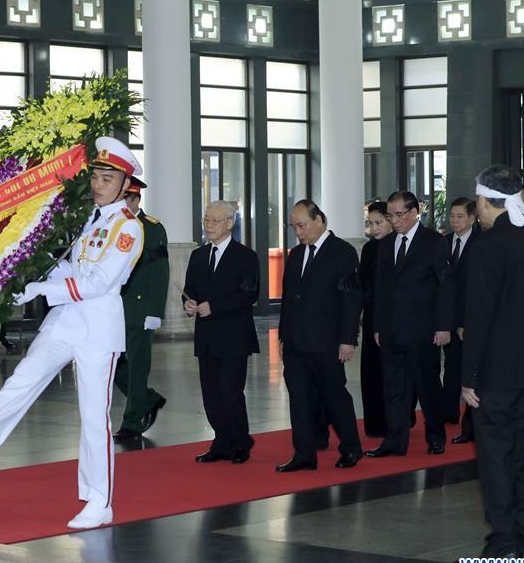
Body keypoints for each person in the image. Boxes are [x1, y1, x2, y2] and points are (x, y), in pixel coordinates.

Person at [0, 137, 144, 530]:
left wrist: (38, 290)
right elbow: (73, 268)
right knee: (23, 378)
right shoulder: (89, 219)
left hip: (97, 328)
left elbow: (98, 283)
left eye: (107, 178)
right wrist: (34, 271)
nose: (98, 184)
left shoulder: (128, 229)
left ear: (124, 185)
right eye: (96, 177)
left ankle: (98, 501)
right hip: (67, 318)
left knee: (92, 417)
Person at [461, 165, 524, 558]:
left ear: (483, 200)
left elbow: (478, 319)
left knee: (495, 461)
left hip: (495, 375)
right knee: (518, 458)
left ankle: (504, 543)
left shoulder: (487, 245)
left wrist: (468, 378)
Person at [366, 191, 453, 458]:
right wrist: (378, 326)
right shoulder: (385, 244)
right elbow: (380, 288)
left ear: (416, 212)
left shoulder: (434, 242)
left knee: (427, 386)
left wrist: (444, 325)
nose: (395, 220)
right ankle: (395, 440)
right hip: (391, 329)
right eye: (390, 215)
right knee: (393, 387)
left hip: (423, 329)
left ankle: (436, 436)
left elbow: (445, 286)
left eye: (400, 214)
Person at [277, 200, 362, 472]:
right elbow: (289, 299)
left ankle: (350, 447)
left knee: (334, 396)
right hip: (296, 342)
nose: (298, 232)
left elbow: (351, 299)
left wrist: (347, 339)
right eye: (294, 227)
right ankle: (304, 453)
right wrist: (282, 336)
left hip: (326, 341)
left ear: (319, 220)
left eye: (301, 226)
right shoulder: (295, 254)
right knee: (299, 400)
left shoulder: (343, 252)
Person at [183, 200, 259, 465]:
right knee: (211, 394)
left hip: (234, 337)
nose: (209, 226)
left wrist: (213, 306)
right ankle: (221, 441)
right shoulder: (198, 255)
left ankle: (240, 440)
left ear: (230, 223)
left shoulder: (246, 256)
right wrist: (189, 303)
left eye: (215, 221)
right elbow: (190, 288)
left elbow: (250, 293)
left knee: (230, 391)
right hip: (206, 337)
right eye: (206, 220)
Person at [112, 177, 170, 443]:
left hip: (139, 309)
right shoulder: (113, 227)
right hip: (113, 309)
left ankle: (132, 423)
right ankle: (148, 399)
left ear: (136, 200)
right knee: (113, 366)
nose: (121, 205)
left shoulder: (152, 229)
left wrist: (155, 311)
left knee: (137, 366)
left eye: (126, 200)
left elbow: (160, 272)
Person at [443, 198, 478, 440]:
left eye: (460, 216)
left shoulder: (481, 243)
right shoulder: (444, 243)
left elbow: (475, 289)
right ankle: (448, 413)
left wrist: (466, 321)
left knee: (470, 372)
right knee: (451, 367)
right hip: (447, 318)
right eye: (452, 216)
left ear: (472, 218)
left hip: (469, 320)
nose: (455, 221)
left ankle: (470, 424)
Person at [359, 201, 392, 438]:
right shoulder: (369, 250)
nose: (375, 228)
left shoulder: (398, 246)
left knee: (393, 373)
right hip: (372, 317)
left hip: (393, 318)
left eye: (379, 222)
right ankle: (374, 423)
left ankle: (396, 419)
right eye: (371, 224)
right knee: (371, 372)